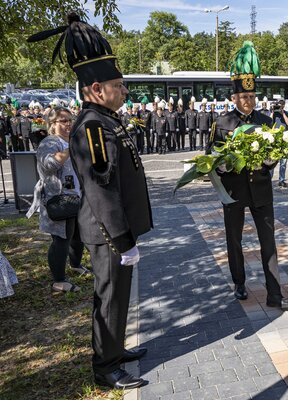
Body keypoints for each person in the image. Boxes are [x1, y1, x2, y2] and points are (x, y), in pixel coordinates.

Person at [28, 13, 153, 389]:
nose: (125, 90)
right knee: (110, 298)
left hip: (118, 230)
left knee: (118, 296)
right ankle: (106, 368)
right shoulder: (94, 126)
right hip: (108, 233)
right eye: (119, 85)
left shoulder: (107, 120)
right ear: (96, 89)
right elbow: (102, 191)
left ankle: (115, 349)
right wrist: (122, 238)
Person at [208, 41, 288, 310]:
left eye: (252, 96)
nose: (248, 101)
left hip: (260, 189)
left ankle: (274, 293)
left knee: (268, 240)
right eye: (244, 97)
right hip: (234, 191)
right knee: (234, 239)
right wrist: (230, 164)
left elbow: (275, 152)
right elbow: (212, 159)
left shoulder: (266, 122)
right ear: (233, 98)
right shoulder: (222, 124)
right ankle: (239, 282)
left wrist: (266, 162)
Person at [26, 107, 87, 293]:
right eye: (63, 121)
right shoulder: (49, 142)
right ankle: (58, 281)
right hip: (58, 199)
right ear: (52, 124)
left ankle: (76, 265)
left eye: (70, 120)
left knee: (78, 235)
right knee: (62, 238)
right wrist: (71, 148)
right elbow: (49, 164)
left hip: (77, 196)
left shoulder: (70, 140)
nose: (68, 124)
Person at [271, 99, 288, 188]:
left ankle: (282, 180)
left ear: (284, 106)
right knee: (271, 160)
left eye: (281, 105)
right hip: (274, 139)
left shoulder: (287, 113)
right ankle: (269, 179)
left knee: (283, 162)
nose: (279, 107)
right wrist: (273, 111)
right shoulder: (274, 113)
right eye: (279, 105)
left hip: (284, 139)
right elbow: (268, 121)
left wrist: (282, 113)